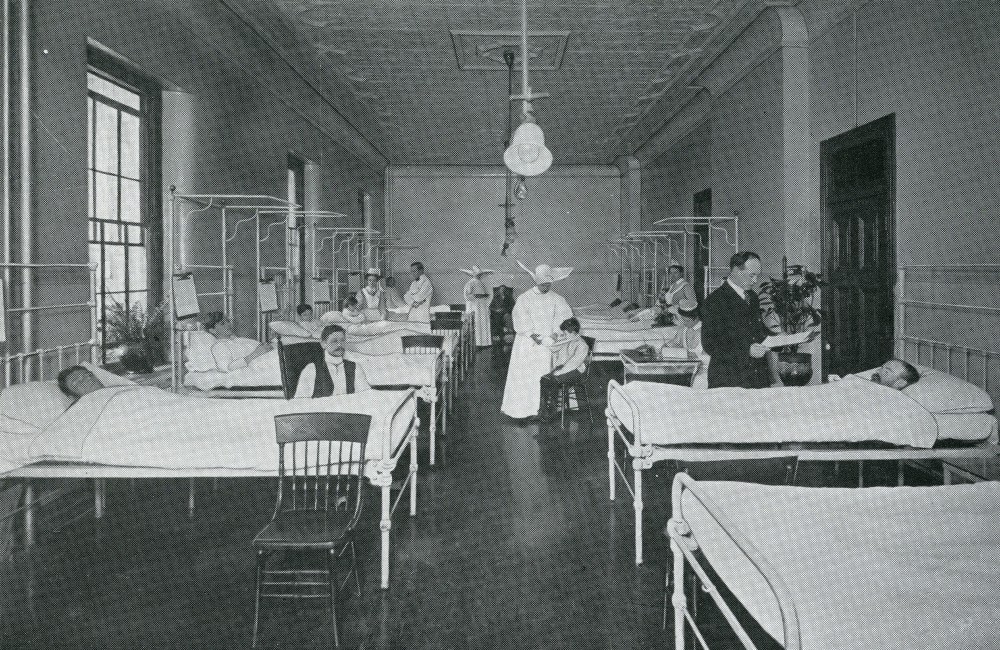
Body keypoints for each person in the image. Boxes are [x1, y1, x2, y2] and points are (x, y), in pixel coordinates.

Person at [501, 262, 574, 421]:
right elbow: (520, 320)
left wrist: (555, 334)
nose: (546, 287)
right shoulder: (525, 298)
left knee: (543, 376)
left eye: (548, 284)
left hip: (548, 345)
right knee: (526, 377)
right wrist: (533, 335)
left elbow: (564, 320)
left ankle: (544, 410)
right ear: (536, 282)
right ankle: (523, 411)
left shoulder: (557, 299)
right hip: (528, 344)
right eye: (543, 284)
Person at [701, 252, 778, 389]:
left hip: (757, 378)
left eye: (757, 276)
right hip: (729, 379)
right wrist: (747, 351)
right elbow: (710, 344)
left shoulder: (752, 297)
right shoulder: (715, 301)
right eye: (751, 275)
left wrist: (780, 339)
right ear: (736, 270)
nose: (755, 281)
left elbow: (757, 330)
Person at [293, 324, 371, 397]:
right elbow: (300, 402)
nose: (339, 345)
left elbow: (365, 397)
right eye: (334, 341)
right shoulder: (311, 369)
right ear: (324, 344)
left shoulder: (355, 368)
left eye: (342, 340)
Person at [538, 317, 590, 422]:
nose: (564, 335)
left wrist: (558, 372)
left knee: (553, 380)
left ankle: (551, 413)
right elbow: (554, 348)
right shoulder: (568, 339)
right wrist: (555, 341)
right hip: (565, 369)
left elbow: (573, 364)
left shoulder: (582, 345)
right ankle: (543, 411)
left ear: (574, 332)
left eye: (566, 333)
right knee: (544, 379)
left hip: (577, 372)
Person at [202, 312, 273, 371]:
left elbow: (261, 346)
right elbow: (228, 368)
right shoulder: (219, 346)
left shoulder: (239, 340)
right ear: (212, 330)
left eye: (228, 321)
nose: (228, 324)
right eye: (222, 323)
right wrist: (256, 353)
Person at [665, 298, 710, 388]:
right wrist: (664, 348)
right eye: (683, 320)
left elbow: (715, 359)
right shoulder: (683, 330)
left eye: (687, 321)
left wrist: (697, 357)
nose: (684, 323)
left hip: (705, 373)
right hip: (687, 371)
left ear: (696, 318)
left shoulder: (707, 332)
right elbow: (671, 344)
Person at [462, 264, 494, 347]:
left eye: (480, 274)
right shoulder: (470, 283)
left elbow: (485, 294)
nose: (479, 276)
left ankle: (483, 343)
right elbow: (467, 296)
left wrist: (484, 296)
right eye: (477, 274)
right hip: (474, 306)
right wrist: (476, 296)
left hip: (482, 306)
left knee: (483, 323)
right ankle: (476, 344)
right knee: (476, 323)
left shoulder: (480, 283)